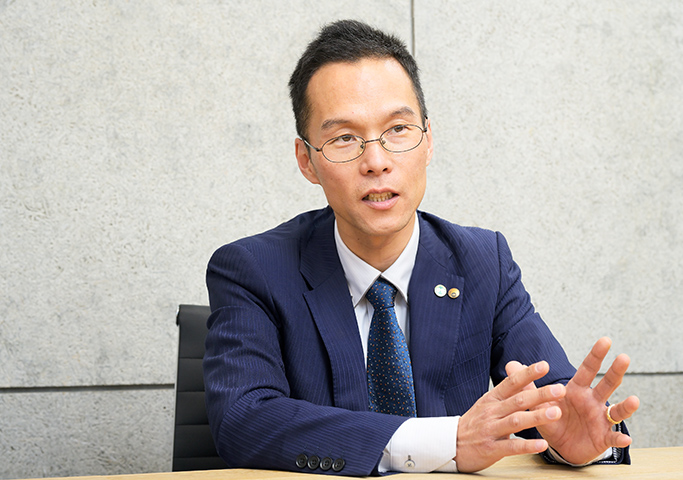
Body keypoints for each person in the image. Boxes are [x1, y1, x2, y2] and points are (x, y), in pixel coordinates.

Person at [203, 19, 640, 476]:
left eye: (397, 129)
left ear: (428, 141)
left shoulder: (483, 262)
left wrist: (571, 442)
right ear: (306, 160)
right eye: (344, 138)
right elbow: (243, 421)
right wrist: (445, 442)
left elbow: (556, 405)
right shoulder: (254, 269)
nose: (376, 162)